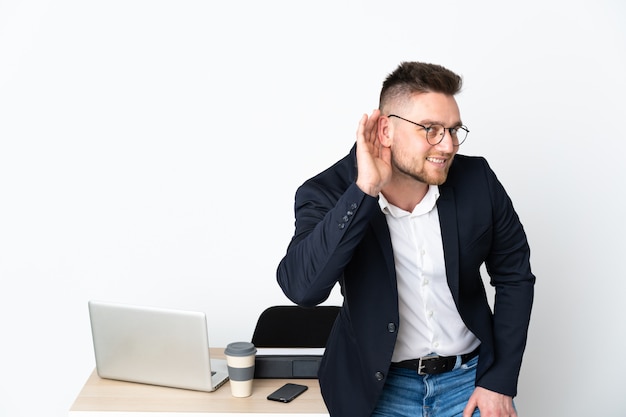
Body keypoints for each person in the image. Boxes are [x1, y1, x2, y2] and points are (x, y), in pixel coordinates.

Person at [276, 61, 535, 417]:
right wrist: (365, 190)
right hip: (377, 389)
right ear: (386, 130)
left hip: (470, 382)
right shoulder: (328, 192)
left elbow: (514, 277)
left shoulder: (478, 180)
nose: (447, 145)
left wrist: (499, 381)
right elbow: (302, 289)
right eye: (430, 129)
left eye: (453, 130)